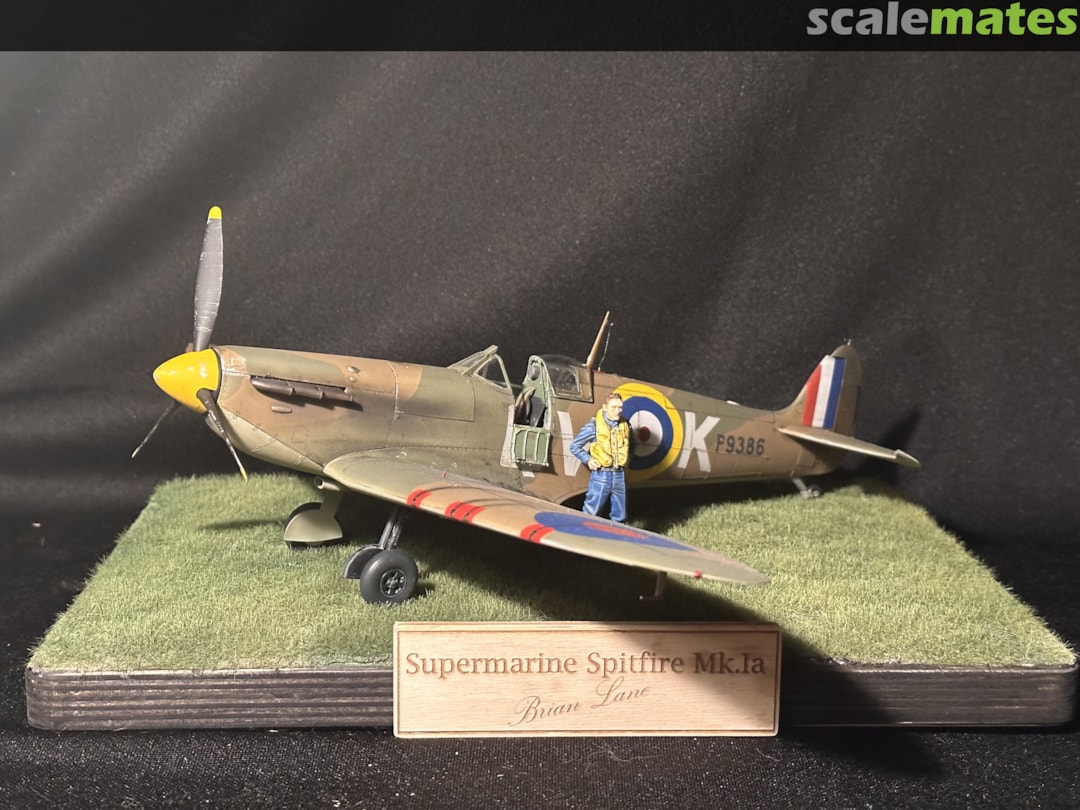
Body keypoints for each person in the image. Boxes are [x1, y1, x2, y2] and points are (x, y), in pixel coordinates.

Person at [569, 392, 633, 522]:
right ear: (605, 407)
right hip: (601, 475)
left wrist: (626, 460)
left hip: (619, 475)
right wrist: (588, 459)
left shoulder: (625, 425)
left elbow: (631, 446)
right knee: (591, 512)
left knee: (620, 515)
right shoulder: (594, 426)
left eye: (620, 407)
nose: (618, 411)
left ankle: (616, 533)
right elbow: (574, 446)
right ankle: (584, 532)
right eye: (613, 407)